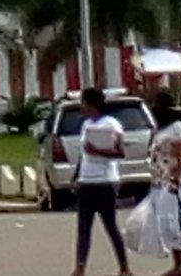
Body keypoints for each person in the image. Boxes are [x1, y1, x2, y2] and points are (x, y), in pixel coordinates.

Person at [72, 87, 132, 276]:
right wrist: (76, 176)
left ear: (92, 105)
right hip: (86, 181)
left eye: (83, 102)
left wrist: (99, 151)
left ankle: (124, 267)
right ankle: (80, 267)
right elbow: (84, 154)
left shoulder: (112, 124)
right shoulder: (85, 124)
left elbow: (120, 152)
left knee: (111, 226)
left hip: (105, 181)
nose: (81, 106)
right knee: (83, 228)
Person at [149, 91, 181, 276]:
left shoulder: (178, 127)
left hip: (175, 182)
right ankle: (177, 262)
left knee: (179, 221)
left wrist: (177, 175)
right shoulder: (160, 130)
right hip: (161, 182)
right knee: (166, 223)